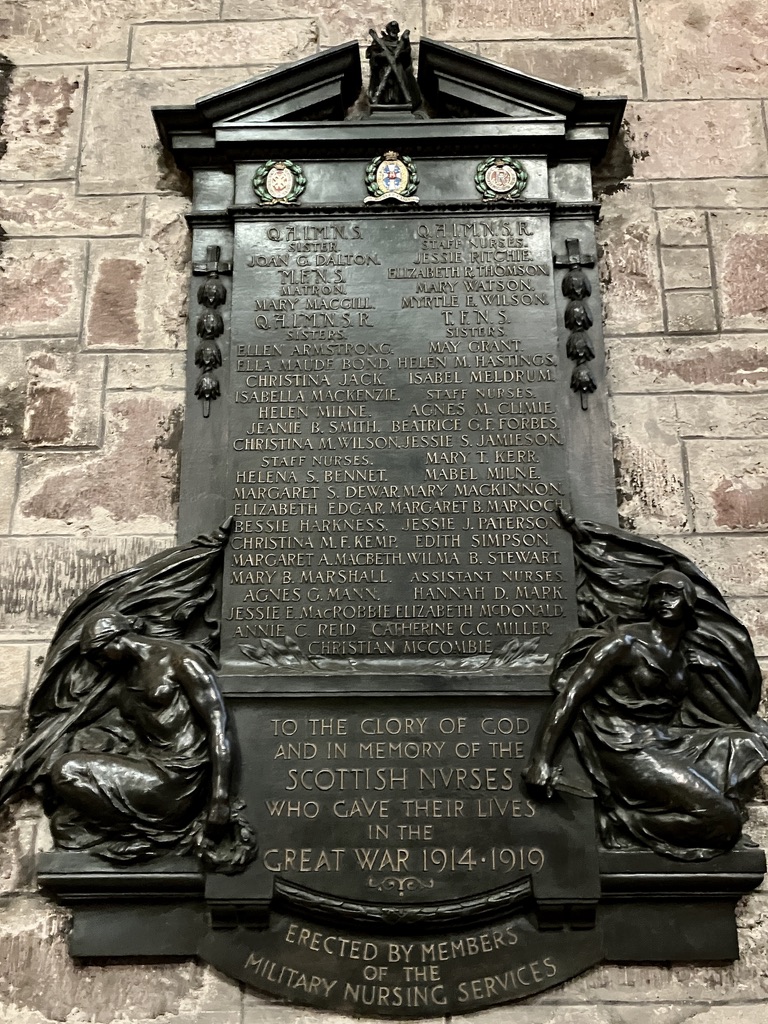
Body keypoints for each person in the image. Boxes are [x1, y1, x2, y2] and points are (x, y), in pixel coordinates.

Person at [524, 569, 768, 860]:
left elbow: (721, 714)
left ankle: (709, 807)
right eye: (657, 593)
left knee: (747, 744)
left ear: (689, 601)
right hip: (626, 745)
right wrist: (541, 760)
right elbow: (571, 696)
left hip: (664, 739)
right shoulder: (623, 643)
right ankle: (621, 822)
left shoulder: (683, 657)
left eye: (672, 593)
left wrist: (712, 669)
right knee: (723, 822)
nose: (663, 600)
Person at [44, 612, 232, 861]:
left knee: (67, 771)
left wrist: (219, 797)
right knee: (63, 825)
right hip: (149, 766)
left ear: (115, 639)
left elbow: (219, 724)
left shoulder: (180, 660)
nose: (98, 663)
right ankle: (145, 834)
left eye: (97, 653)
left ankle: (154, 835)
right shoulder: (126, 676)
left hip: (178, 777)